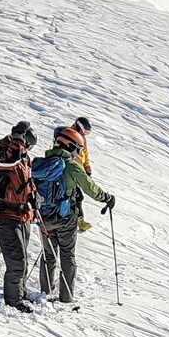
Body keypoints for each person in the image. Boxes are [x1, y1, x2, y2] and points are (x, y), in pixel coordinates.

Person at [32, 127, 114, 307]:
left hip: (44, 218)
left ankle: (46, 292)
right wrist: (106, 198)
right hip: (64, 218)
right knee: (67, 255)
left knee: (48, 255)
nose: (78, 153)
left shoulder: (42, 164)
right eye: (77, 148)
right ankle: (66, 296)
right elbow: (90, 188)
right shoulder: (71, 166)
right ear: (70, 146)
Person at [0, 128, 37, 312]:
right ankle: (13, 301)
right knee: (16, 260)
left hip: (21, 214)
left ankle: (20, 291)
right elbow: (6, 163)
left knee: (23, 257)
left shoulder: (22, 159)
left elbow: (22, 183)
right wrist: (18, 142)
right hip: (5, 216)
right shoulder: (4, 155)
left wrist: (34, 197)